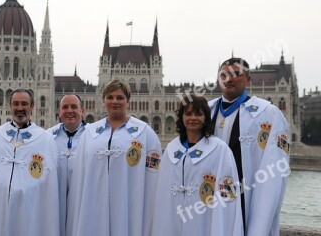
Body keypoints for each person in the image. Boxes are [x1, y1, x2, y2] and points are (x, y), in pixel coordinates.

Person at [66, 79, 160, 236]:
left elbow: (154, 178)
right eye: (110, 97)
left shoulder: (145, 133)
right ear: (103, 101)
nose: (114, 101)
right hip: (94, 207)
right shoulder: (90, 133)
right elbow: (79, 178)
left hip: (129, 209)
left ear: (128, 101)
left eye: (120, 97)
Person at [209, 57, 290, 235]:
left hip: (248, 195)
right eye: (223, 75)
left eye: (235, 74)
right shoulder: (207, 111)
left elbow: (276, 166)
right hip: (211, 198)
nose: (228, 79)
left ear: (248, 79)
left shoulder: (268, 113)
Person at [0, 89, 60, 236]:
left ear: (32, 106)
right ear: (10, 106)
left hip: (30, 207)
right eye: (16, 104)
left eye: (24, 104)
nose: (20, 108)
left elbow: (48, 181)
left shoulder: (45, 139)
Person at [152, 94, 243, 235]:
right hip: (173, 221)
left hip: (204, 219)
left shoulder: (219, 150)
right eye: (188, 114)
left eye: (198, 114)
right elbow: (162, 193)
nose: (193, 118)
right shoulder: (171, 149)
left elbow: (228, 196)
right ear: (182, 118)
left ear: (206, 117)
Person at [46, 94, 86, 235]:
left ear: (82, 111)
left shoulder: (94, 137)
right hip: (54, 204)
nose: (69, 111)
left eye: (74, 107)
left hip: (84, 205)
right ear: (59, 112)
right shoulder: (47, 137)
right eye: (65, 107)